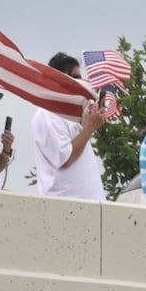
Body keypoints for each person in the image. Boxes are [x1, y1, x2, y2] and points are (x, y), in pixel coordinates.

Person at [32, 52, 107, 200]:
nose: (82, 82)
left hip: (87, 206)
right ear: (59, 80)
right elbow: (65, 159)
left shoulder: (67, 115)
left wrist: (86, 122)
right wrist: (89, 127)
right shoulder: (47, 113)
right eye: (75, 78)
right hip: (67, 205)